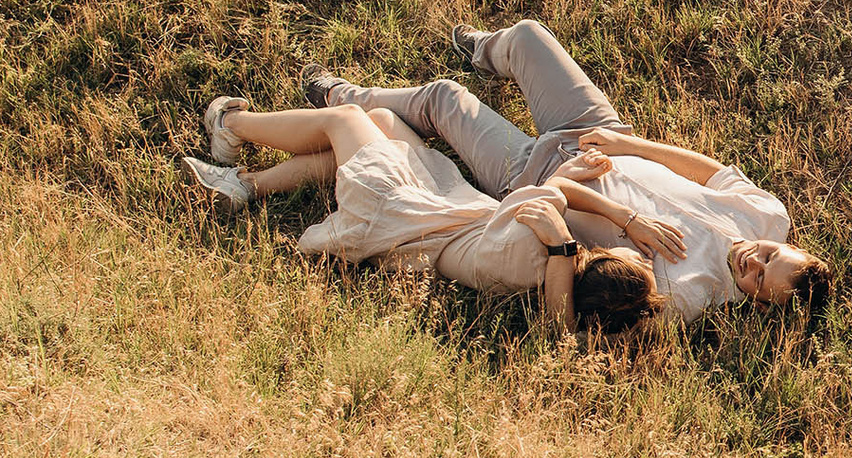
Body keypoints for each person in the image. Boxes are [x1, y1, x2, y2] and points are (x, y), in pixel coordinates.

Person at [304, 20, 831, 324]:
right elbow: (707, 172)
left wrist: (625, 220)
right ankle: (485, 49)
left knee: (445, 100)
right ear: (787, 245)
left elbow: (588, 279)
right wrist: (627, 141)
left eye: (758, 280)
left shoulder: (693, 293)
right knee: (529, 37)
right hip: (600, 131)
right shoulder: (768, 215)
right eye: (769, 257)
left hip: (536, 176)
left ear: (760, 302)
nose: (752, 262)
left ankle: (340, 97)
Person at [177, 100, 662, 335]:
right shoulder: (548, 269)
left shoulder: (542, 243)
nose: (628, 247)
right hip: (434, 209)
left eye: (629, 257)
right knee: (384, 125)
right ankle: (245, 186)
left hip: (400, 209)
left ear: (602, 263)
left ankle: (229, 126)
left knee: (344, 118)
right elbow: (562, 331)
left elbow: (548, 195)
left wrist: (571, 231)